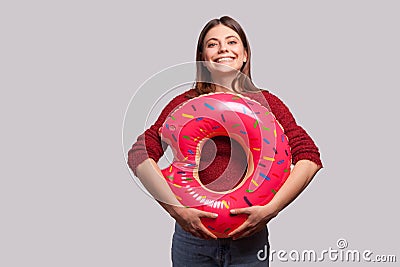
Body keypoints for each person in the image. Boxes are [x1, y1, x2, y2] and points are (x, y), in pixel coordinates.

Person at [127, 16, 322, 267]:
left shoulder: (267, 103)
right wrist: (178, 210)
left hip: (249, 239)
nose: (223, 49)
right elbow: (140, 153)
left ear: (244, 54)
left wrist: (270, 210)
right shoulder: (184, 104)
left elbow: (309, 156)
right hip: (192, 240)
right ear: (202, 57)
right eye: (212, 44)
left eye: (232, 41)